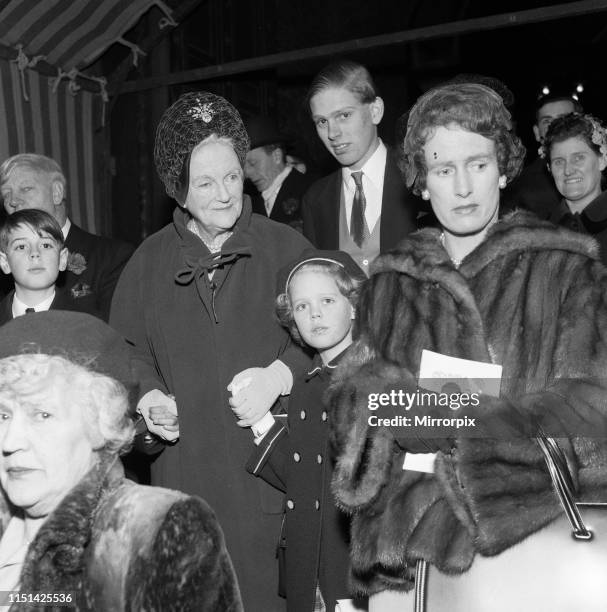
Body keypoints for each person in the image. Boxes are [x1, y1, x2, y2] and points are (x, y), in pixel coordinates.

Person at [326, 82, 607, 610]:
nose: (462, 186)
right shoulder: (391, 280)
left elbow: (595, 406)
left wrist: (466, 431)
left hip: (520, 555)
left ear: (502, 168)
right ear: (421, 183)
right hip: (401, 564)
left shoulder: (567, 269)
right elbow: (351, 405)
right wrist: (391, 406)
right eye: (442, 169)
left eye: (477, 164)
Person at [110, 91, 311, 612]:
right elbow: (127, 357)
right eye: (204, 183)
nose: (224, 194)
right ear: (177, 190)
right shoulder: (147, 264)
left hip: (273, 490)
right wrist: (148, 401)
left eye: (231, 175)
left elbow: (336, 339)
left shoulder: (285, 247)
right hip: (184, 489)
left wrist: (280, 376)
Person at [0, 311, 242, 611]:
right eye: (3, 415)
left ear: (100, 425)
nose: (10, 442)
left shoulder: (154, 529)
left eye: (42, 415)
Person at [239, 249, 366, 612]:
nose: (315, 314)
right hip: (307, 567)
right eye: (301, 307)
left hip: (351, 567)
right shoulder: (307, 386)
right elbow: (303, 477)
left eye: (327, 300)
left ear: (354, 304)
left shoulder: (374, 379)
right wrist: (262, 420)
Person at [301, 60, 418, 275]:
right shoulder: (315, 199)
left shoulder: (418, 179)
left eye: (344, 116)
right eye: (321, 122)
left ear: (375, 111)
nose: (332, 133)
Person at [0, 154, 134, 321]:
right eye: (6, 195)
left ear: (57, 193)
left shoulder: (112, 258)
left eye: (26, 189)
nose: (13, 201)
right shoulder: (6, 262)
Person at [0, 209, 101, 324]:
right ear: (5, 262)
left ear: (62, 259)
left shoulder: (88, 324)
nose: (35, 253)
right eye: (21, 247)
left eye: (46, 245)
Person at [504, 91, 581, 219]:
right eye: (547, 121)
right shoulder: (520, 187)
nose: (556, 126)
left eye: (565, 119)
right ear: (536, 132)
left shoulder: (599, 171)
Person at [544, 112, 607, 263]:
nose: (568, 170)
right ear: (549, 169)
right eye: (559, 162)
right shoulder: (540, 234)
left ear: (602, 160)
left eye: (578, 158)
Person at [244, 115, 314, 231]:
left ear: (276, 156)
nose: (247, 173)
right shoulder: (249, 204)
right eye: (243, 167)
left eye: (252, 163)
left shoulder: (310, 192)